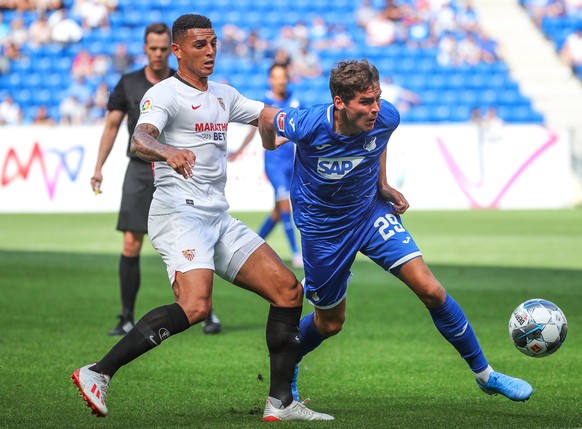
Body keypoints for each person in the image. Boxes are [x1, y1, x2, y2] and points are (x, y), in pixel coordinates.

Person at [71, 14, 333, 423]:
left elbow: (267, 115)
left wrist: (291, 128)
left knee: (287, 291)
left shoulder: (225, 95)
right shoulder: (163, 95)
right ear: (177, 51)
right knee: (195, 306)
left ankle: (280, 403)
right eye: (199, 45)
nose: (210, 51)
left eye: (213, 43)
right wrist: (167, 152)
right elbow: (141, 138)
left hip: (216, 215)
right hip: (177, 213)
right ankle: (98, 372)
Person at [258, 59, 534, 404]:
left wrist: (382, 184)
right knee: (330, 323)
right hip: (323, 230)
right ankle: (291, 360)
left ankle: (485, 374)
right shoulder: (309, 123)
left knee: (431, 289)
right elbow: (267, 115)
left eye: (377, 98)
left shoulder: (386, 116)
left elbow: (379, 137)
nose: (376, 109)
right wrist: (270, 145)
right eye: (365, 102)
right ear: (339, 103)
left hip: (369, 214)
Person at [89, 22, 221, 336]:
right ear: (146, 49)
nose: (159, 54)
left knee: (199, 238)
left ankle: (207, 312)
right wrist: (98, 166)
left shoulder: (184, 82)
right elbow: (111, 126)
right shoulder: (129, 83)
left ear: (172, 50)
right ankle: (125, 316)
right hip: (140, 169)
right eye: (154, 48)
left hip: (179, 171)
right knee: (131, 242)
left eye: (164, 48)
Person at [228, 64, 303, 269]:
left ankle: (250, 246)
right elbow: (253, 130)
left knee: (278, 212)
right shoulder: (265, 103)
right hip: (274, 164)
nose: (280, 81)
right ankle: (296, 254)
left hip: (292, 164)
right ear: (270, 80)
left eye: (283, 77)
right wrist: (239, 150)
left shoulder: (294, 100)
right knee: (285, 205)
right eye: (276, 77)